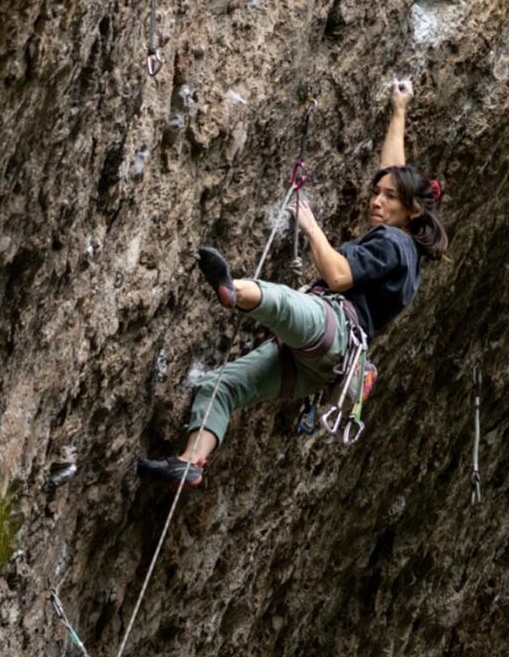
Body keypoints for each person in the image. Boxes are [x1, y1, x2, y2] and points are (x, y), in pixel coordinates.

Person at [137, 79, 446, 485]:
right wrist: (399, 110)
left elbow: (337, 276)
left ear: (412, 210)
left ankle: (233, 291)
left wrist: (310, 224)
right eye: (376, 193)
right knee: (223, 385)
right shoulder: (408, 252)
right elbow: (395, 175)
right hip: (323, 367)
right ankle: (191, 463)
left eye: (388, 197)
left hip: (332, 328)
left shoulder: (392, 240)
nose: (376, 200)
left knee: (282, 303)